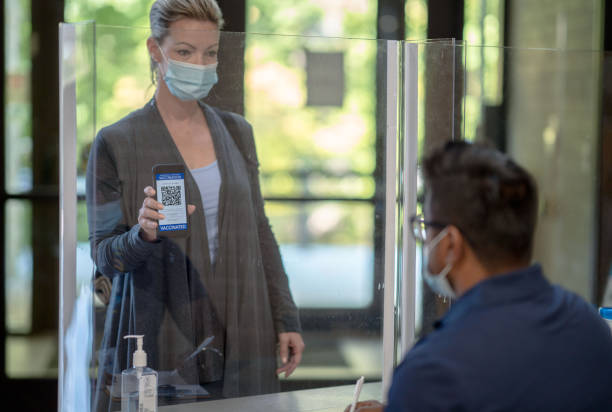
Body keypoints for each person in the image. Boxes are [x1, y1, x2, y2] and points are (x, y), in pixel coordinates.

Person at [86, 0, 304, 410]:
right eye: (184, 52)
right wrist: (142, 235)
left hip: (243, 326)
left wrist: (285, 317)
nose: (199, 65)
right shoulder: (115, 142)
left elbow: (259, 230)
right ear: (155, 50)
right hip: (162, 334)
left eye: (210, 53)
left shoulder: (237, 132)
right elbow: (103, 254)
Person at [347, 141, 612, 411]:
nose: (424, 240)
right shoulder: (591, 329)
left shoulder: (433, 371)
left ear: (450, 242)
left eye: (426, 227)